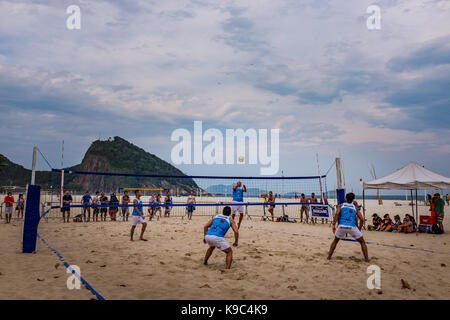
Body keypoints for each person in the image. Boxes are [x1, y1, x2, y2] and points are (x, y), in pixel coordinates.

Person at [327, 192, 369, 262]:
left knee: (335, 240)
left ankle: (329, 257)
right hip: (352, 227)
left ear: (345, 198)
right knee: (362, 242)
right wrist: (360, 228)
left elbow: (337, 214)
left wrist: (334, 225)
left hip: (341, 226)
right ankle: (367, 259)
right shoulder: (355, 207)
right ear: (353, 199)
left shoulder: (341, 205)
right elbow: (361, 219)